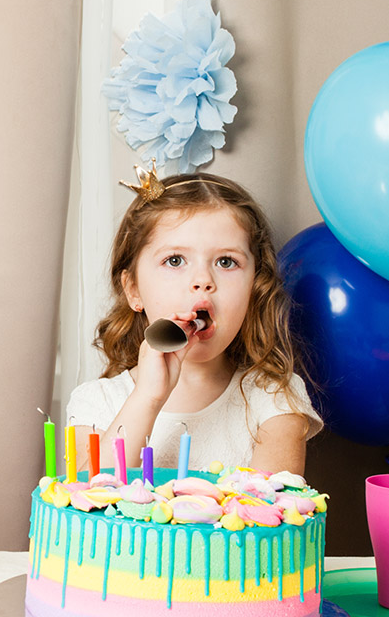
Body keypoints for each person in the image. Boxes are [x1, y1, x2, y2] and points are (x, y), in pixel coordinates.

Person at [68, 169, 319, 475]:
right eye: (175, 260)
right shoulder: (97, 403)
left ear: (254, 287)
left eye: (226, 262)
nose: (202, 280)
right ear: (133, 289)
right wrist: (147, 397)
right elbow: (83, 505)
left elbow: (271, 516)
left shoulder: (275, 399)